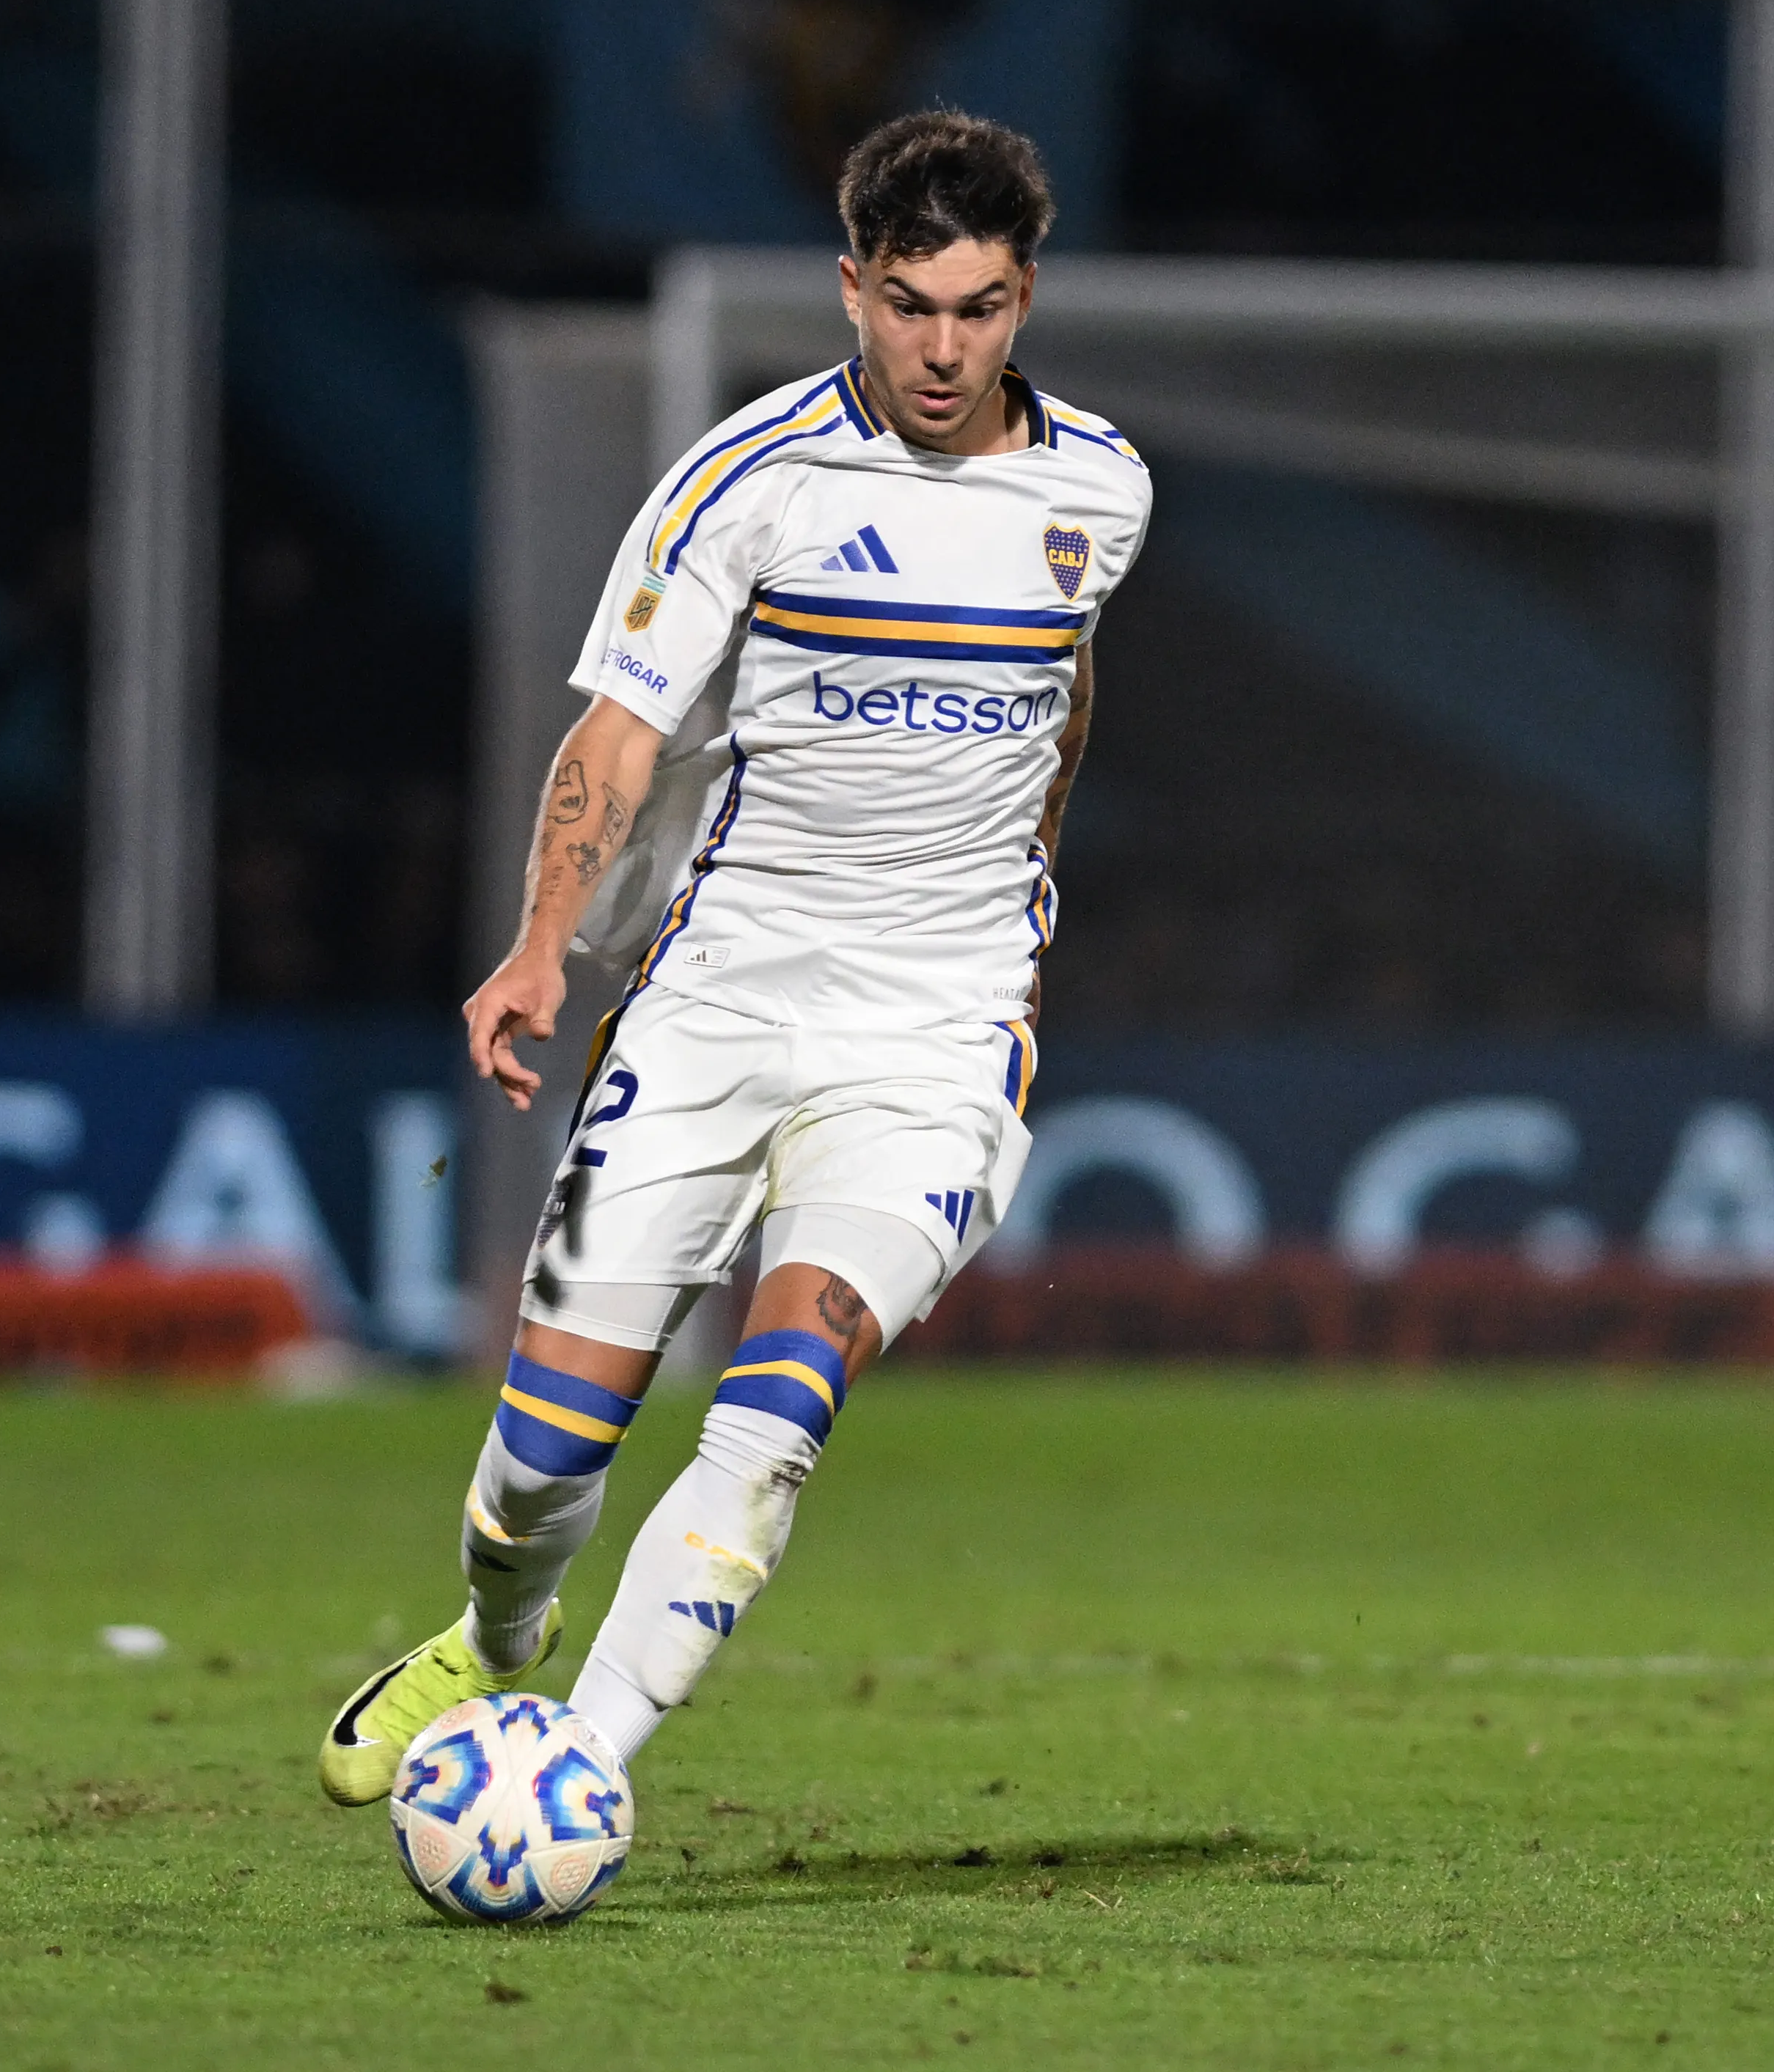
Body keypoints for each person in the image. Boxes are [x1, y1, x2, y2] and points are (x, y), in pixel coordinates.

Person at [318, 109, 1150, 1801]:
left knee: (776, 1407)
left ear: (1027, 298)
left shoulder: (1101, 490)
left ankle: (580, 1768)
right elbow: (613, 743)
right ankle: (497, 1642)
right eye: (910, 302)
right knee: (539, 1470)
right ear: (851, 288)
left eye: (979, 308)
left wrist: (1027, 915)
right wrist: (546, 943)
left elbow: (1059, 703)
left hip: (935, 1035)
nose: (942, 345)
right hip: (718, 1004)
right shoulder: (746, 481)